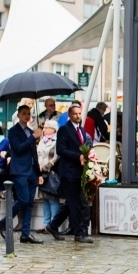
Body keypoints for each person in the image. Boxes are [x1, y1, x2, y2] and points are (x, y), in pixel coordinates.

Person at [44, 104, 95, 244]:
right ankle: (79, 234)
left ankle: (53, 225)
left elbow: (84, 147)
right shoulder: (64, 130)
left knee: (73, 202)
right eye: (75, 114)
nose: (78, 116)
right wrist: (77, 156)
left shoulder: (82, 130)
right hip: (68, 172)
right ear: (69, 115)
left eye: (80, 113)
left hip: (79, 172)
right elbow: (60, 150)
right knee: (74, 203)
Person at [1, 105, 43, 244]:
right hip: (19, 170)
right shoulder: (13, 131)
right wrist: (33, 137)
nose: (26, 116)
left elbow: (33, 153)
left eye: (28, 113)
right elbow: (18, 149)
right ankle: (5, 221)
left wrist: (38, 172)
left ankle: (26, 233)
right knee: (23, 199)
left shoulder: (31, 131)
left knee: (30, 203)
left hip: (31, 170)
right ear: (18, 115)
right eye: (23, 113)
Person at [36, 119, 61, 233]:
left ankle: (53, 224)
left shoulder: (57, 140)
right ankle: (46, 223)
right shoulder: (42, 141)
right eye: (44, 127)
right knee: (44, 198)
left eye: (46, 127)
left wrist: (46, 166)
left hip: (52, 172)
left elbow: (56, 157)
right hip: (41, 172)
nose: (44, 129)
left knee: (52, 198)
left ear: (53, 129)